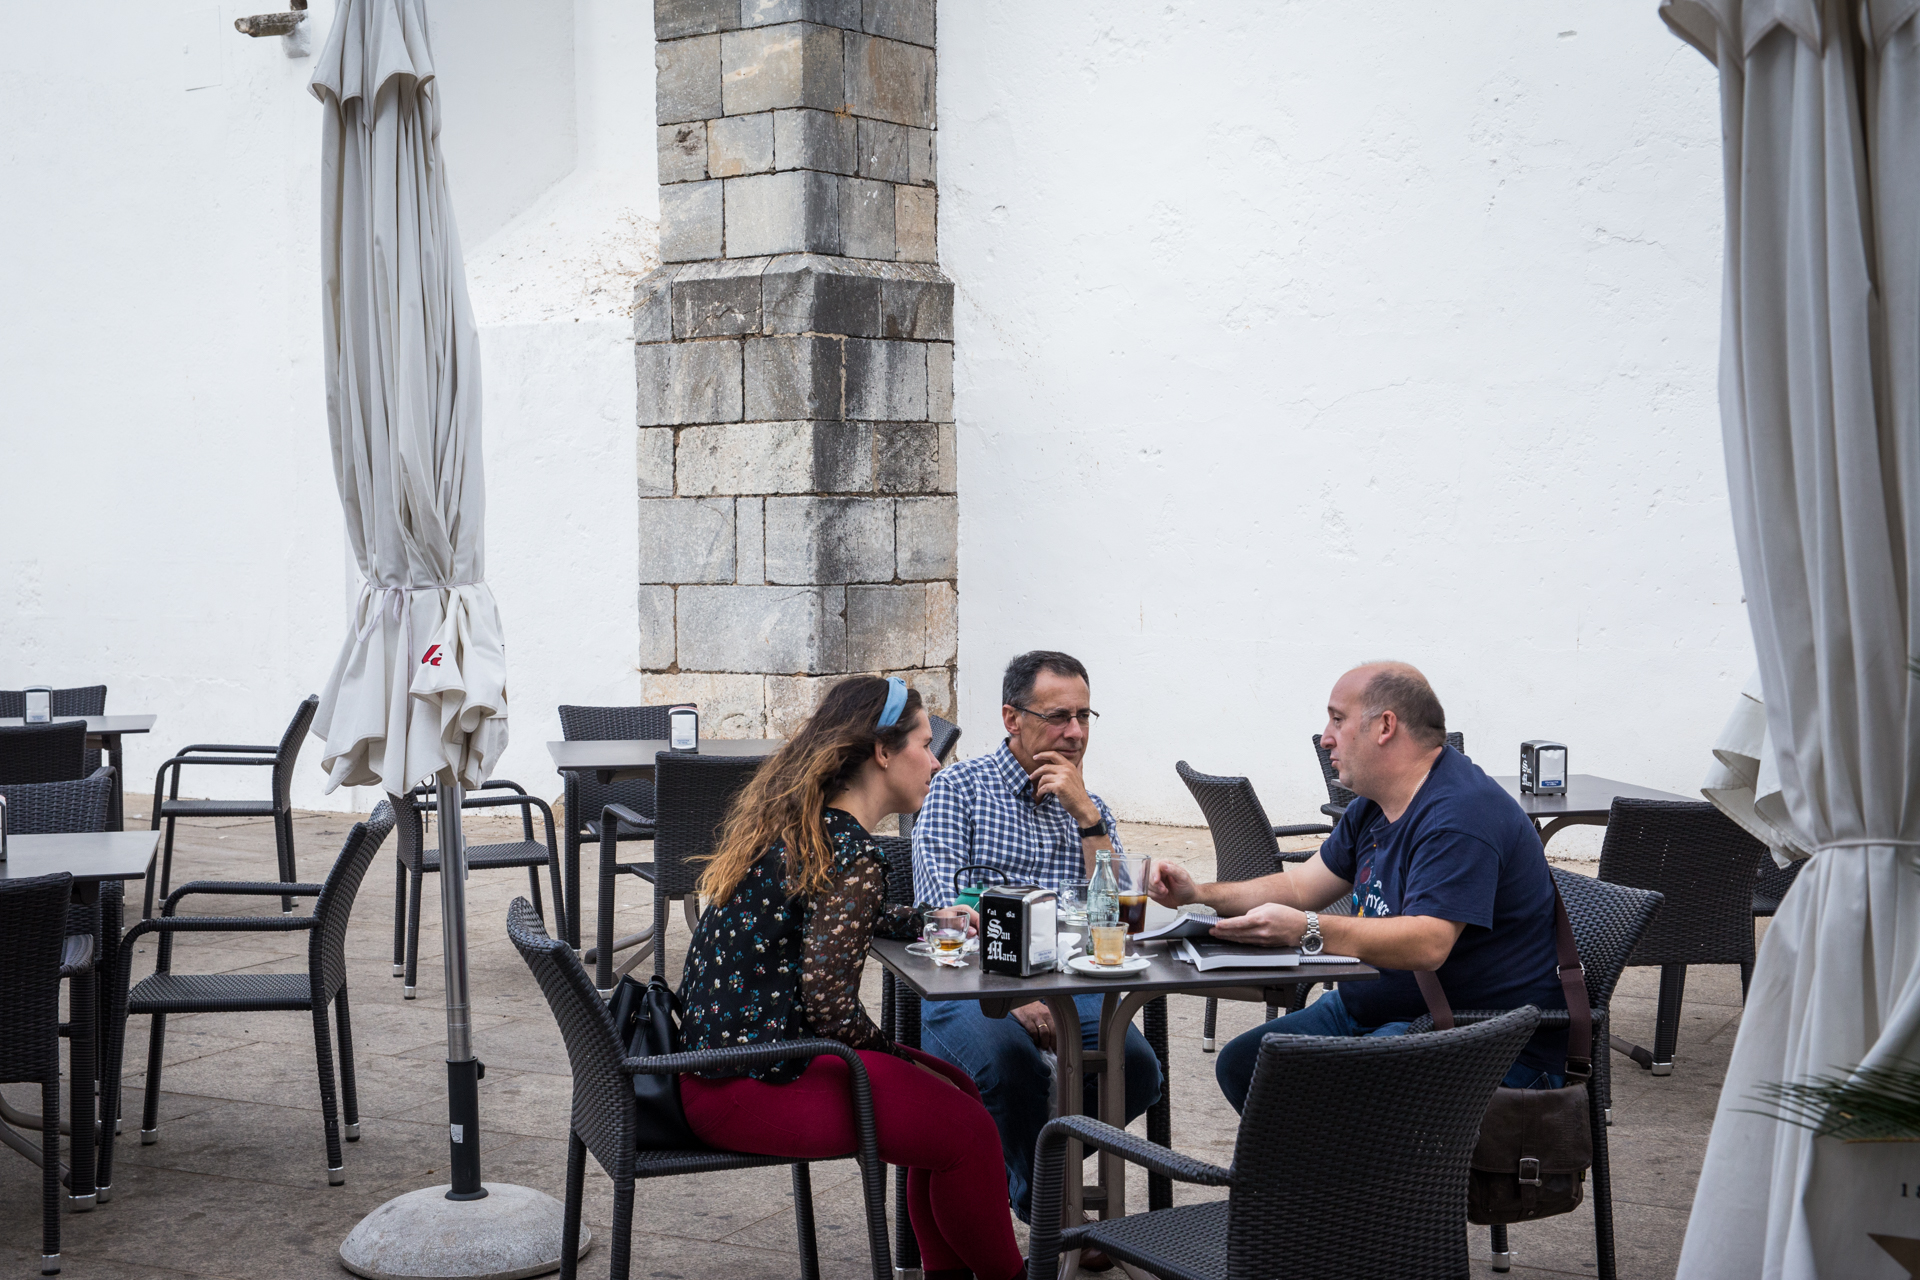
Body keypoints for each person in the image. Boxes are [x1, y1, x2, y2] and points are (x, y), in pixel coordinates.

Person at [677, 675, 1025, 1280]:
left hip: (716, 1069)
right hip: (757, 1086)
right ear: (883, 752)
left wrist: (917, 918)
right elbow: (830, 1005)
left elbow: (814, 915)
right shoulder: (852, 854)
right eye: (924, 742)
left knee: (954, 1098)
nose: (936, 761)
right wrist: (890, 1055)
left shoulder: (803, 827)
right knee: (967, 1129)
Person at [1149, 661, 1569, 1113]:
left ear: (1385, 726)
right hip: (1383, 1015)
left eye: (1337, 719)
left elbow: (1428, 943)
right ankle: (1321, 1182)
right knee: (1245, 1065)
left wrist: (1305, 929)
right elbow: (1299, 886)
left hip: (1476, 1037)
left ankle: (1346, 1182)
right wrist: (1198, 895)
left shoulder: (1461, 814)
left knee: (1333, 1093)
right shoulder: (1375, 805)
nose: (1326, 737)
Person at [911, 650, 1164, 1228]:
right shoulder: (958, 790)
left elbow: (1117, 919)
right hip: (969, 987)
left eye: (1083, 716)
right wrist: (1015, 994)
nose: (1074, 733)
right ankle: (1057, 1214)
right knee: (1009, 1068)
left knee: (1137, 1071)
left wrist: (1087, 818)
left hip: (1071, 988)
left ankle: (1037, 1184)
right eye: (1058, 717)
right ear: (1011, 718)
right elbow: (943, 913)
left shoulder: (1088, 807)